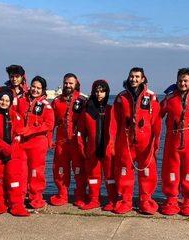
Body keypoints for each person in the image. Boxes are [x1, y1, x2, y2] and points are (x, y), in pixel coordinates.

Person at [111, 67, 161, 215]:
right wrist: (112, 143)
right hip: (126, 141)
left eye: (137, 77)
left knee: (147, 172)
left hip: (145, 142)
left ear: (143, 79)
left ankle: (145, 200)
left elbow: (156, 122)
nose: (134, 79)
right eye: (132, 76)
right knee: (125, 171)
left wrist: (156, 142)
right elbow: (114, 122)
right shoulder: (121, 97)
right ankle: (126, 200)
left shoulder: (151, 97)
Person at [159, 68, 189, 216]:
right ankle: (171, 199)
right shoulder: (169, 99)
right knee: (171, 170)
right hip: (173, 143)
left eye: (185, 81)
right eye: (180, 81)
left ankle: (188, 201)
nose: (182, 83)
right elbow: (156, 115)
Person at [0, 86, 30, 216]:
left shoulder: (16, 117)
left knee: (13, 179)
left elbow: (18, 133)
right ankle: (0, 204)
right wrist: (3, 146)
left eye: (7, 100)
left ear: (10, 102)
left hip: (12, 154)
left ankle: (16, 205)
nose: (4, 103)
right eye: (2, 100)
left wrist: (11, 147)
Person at [76, 79, 117, 211]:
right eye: (97, 91)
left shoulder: (112, 110)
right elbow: (80, 132)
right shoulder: (87, 111)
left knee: (110, 177)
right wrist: (82, 149)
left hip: (108, 150)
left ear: (107, 92)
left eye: (102, 91)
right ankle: (94, 199)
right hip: (92, 150)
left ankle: (112, 200)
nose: (99, 94)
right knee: (93, 176)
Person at [50, 73, 86, 206]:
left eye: (71, 83)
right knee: (60, 169)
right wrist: (49, 140)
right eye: (66, 83)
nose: (68, 85)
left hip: (77, 142)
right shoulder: (57, 101)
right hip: (61, 142)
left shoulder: (82, 101)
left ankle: (81, 195)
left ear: (76, 84)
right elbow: (51, 123)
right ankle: (62, 195)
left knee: (79, 170)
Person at [20, 76, 54, 209]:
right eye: (33, 86)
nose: (35, 89)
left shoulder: (46, 106)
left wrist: (31, 130)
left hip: (38, 144)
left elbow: (49, 124)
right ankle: (21, 196)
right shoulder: (22, 101)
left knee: (36, 172)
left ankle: (36, 197)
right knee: (22, 171)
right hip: (22, 144)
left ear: (43, 90)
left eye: (38, 88)